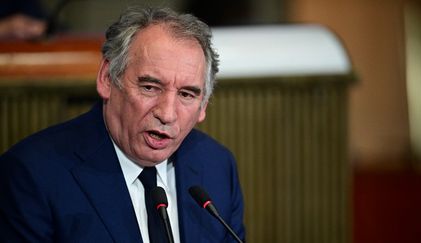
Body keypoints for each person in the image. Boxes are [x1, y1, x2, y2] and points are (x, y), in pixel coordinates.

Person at [0, 6, 245, 243]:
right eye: (150, 87)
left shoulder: (217, 167)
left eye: (186, 95)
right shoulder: (32, 174)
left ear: (203, 106)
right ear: (107, 79)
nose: (168, 114)